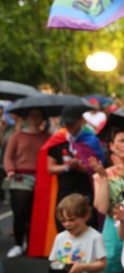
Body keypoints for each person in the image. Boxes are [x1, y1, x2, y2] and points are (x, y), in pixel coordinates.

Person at [29, 105, 105, 257]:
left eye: (72, 123)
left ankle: (88, 262)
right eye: (66, 123)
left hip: (85, 190)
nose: (69, 127)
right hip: (65, 191)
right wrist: (66, 167)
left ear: (81, 121)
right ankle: (66, 261)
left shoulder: (91, 140)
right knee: (64, 224)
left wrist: (80, 167)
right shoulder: (57, 141)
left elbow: (98, 169)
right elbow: (50, 168)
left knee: (87, 226)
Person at [89, 127, 124, 273]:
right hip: (113, 227)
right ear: (111, 146)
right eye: (121, 141)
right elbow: (102, 208)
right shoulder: (102, 174)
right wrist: (104, 177)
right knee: (111, 265)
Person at [3, 109, 50, 258]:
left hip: (42, 177)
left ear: (43, 119)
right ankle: (18, 243)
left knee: (36, 214)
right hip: (21, 176)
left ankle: (32, 244)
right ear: (27, 118)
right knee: (20, 212)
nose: (34, 118)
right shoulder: (17, 136)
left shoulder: (48, 137)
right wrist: (10, 169)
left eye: (38, 116)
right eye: (31, 115)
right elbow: (8, 156)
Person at [49, 193, 106, 273]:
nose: (67, 224)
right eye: (63, 221)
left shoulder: (95, 237)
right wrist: (63, 266)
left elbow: (103, 264)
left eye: (71, 220)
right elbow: (53, 261)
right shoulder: (60, 237)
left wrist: (82, 267)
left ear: (85, 216)